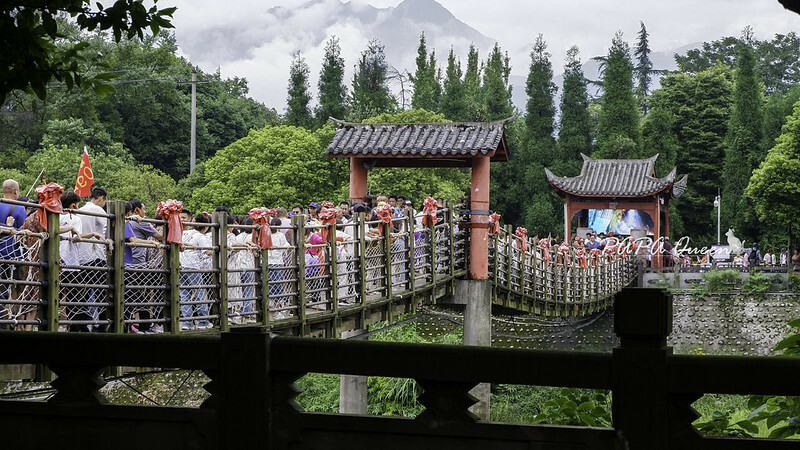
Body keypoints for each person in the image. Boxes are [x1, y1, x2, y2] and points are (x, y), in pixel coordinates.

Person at [78, 187, 108, 330]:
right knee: (100, 291)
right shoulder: (97, 210)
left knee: (83, 291)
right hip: (95, 254)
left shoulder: (81, 209)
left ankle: (82, 324)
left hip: (81, 256)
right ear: (101, 198)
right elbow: (108, 227)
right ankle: (102, 325)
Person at [0, 179, 27, 327]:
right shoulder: (20, 208)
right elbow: (23, 231)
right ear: (16, 191)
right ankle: (8, 322)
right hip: (10, 254)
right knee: (12, 290)